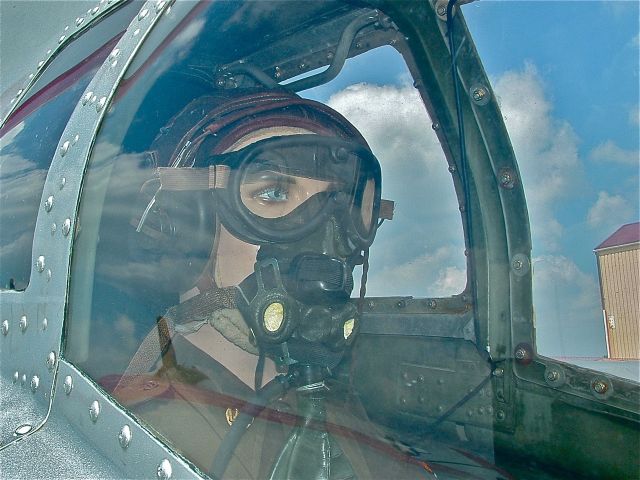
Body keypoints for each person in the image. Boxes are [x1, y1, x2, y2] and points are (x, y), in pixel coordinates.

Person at [107, 89, 433, 479]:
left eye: (340, 208)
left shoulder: (341, 411)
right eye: (275, 193)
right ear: (185, 228)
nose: (325, 245)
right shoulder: (134, 438)